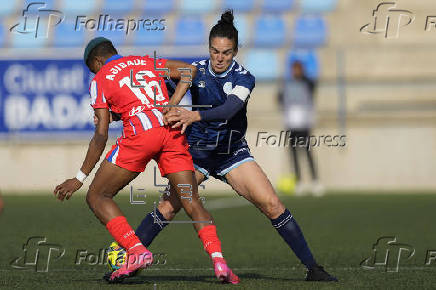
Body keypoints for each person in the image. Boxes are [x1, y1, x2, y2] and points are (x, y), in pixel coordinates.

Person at [133, 10, 337, 282]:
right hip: (197, 155)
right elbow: (165, 86)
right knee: (168, 207)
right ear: (209, 49)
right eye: (215, 51)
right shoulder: (194, 70)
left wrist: (193, 115)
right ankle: (126, 260)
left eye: (226, 52)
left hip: (232, 154)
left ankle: (313, 268)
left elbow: (229, 109)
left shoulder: (244, 77)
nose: (219, 58)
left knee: (272, 204)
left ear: (235, 51)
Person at [53, 37, 239, 284]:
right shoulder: (144, 61)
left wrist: (79, 177)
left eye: (92, 68)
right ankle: (219, 262)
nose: (94, 73)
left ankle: (136, 250)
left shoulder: (100, 79)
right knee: (191, 200)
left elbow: (101, 134)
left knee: (97, 196)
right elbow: (189, 71)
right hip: (170, 132)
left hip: (141, 137)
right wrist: (171, 104)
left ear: (98, 61)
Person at [278, 60, 324, 196]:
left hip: (304, 124)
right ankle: (299, 182)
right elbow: (280, 98)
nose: (296, 72)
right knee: (294, 154)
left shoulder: (307, 83)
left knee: (308, 152)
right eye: (294, 69)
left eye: (298, 69)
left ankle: (315, 181)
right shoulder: (287, 85)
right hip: (291, 124)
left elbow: (313, 86)